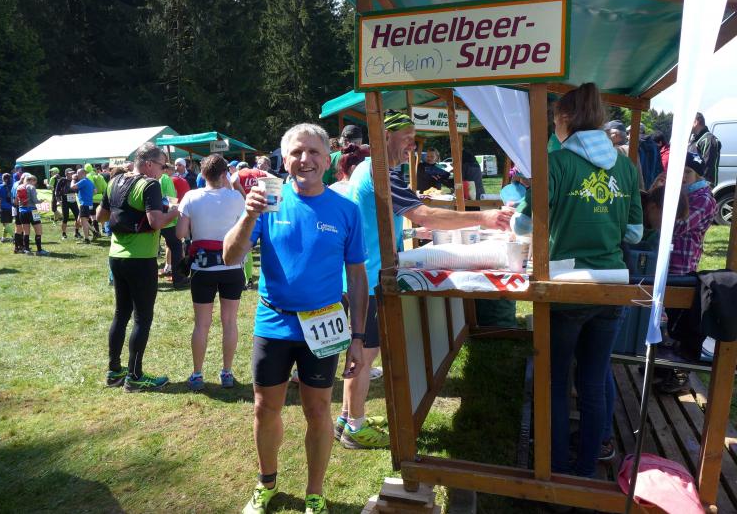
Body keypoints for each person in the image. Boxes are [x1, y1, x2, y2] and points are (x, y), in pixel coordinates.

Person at [341, 110, 512, 450]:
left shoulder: (372, 168)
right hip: (369, 276)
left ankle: (347, 417)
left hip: (364, 272)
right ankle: (354, 428)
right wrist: (484, 218)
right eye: (406, 137)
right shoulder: (379, 171)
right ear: (385, 136)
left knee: (363, 352)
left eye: (414, 138)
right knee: (365, 354)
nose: (412, 145)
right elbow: (425, 214)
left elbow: (382, 216)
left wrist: (408, 230)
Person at [223, 123, 367, 514]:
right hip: (274, 322)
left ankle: (314, 492)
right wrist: (248, 215)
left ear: (328, 158)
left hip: (323, 325)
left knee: (318, 410)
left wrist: (358, 337)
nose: (306, 160)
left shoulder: (346, 209)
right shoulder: (268, 200)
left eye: (314, 152)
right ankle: (266, 482)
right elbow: (230, 256)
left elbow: (357, 276)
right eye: (297, 153)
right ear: (284, 160)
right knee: (264, 407)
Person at [513, 83, 642, 478]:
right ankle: (586, 472)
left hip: (566, 286)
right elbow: (635, 232)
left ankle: (555, 471)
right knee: (592, 382)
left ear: (566, 118)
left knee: (554, 383)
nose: (554, 127)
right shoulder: (626, 166)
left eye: (555, 120)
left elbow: (522, 225)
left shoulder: (554, 163)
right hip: (612, 287)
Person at [97, 143, 180, 392]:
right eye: (162, 166)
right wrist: (174, 212)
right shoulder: (149, 184)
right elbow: (156, 223)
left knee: (121, 314)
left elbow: (101, 216)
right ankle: (134, 377)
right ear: (148, 164)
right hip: (141, 259)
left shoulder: (114, 180)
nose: (163, 171)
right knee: (142, 318)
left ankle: (114, 371)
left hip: (116, 256)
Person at [177, 154, 246, 390]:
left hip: (202, 268)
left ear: (202, 174)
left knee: (201, 324)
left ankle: (197, 374)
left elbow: (180, 234)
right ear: (225, 174)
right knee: (230, 322)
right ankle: (227, 372)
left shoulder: (191, 197)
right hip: (231, 267)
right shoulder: (236, 198)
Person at [655, 153, 718, 395]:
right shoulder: (684, 193)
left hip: (682, 267)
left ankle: (680, 375)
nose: (682, 176)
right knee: (663, 318)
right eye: (678, 171)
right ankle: (661, 366)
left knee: (678, 324)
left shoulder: (704, 199)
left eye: (687, 172)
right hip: (669, 262)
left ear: (698, 174)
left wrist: (660, 204)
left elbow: (678, 225)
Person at [159, 162, 188, 289]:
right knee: (176, 248)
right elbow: (171, 200)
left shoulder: (150, 178)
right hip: (167, 221)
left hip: (152, 219)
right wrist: (175, 218)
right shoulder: (165, 178)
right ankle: (179, 279)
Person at [16, 174, 49, 256]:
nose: (35, 183)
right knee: (39, 231)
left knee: (26, 232)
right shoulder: (31, 187)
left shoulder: (19, 187)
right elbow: (35, 200)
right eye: (35, 181)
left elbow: (17, 200)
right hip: (33, 211)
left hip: (22, 211)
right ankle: (39, 250)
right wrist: (41, 201)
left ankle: (27, 250)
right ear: (31, 180)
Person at [688, 112, 721, 185]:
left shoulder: (709, 139)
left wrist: (700, 184)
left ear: (695, 122)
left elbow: (707, 166)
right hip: (693, 183)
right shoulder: (694, 139)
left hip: (703, 185)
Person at [631, 123, 662, 189]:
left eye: (629, 132)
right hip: (650, 184)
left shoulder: (634, 144)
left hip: (636, 183)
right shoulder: (655, 146)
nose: (628, 135)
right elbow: (659, 168)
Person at [70, 168, 96, 244]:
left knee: (83, 222)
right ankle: (95, 232)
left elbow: (72, 187)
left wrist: (73, 179)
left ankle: (86, 239)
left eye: (78, 173)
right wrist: (88, 195)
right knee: (80, 221)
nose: (77, 175)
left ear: (82, 174)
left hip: (84, 204)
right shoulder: (90, 181)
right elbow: (95, 191)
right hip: (89, 203)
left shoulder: (83, 181)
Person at [56, 168, 81, 240]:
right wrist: (59, 201)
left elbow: (78, 190)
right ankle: (64, 234)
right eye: (70, 173)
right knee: (65, 218)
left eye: (73, 173)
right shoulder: (62, 180)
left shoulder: (75, 180)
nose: (72, 174)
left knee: (77, 216)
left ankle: (76, 232)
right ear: (66, 174)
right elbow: (57, 191)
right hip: (64, 200)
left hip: (73, 199)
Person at [0, 173, 15, 242]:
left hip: (3, 207)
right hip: (13, 207)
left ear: (3, 179)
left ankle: (15, 237)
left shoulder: (0, 186)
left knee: (5, 224)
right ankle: (3, 238)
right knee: (6, 224)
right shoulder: (13, 186)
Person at [87, 163, 107, 238]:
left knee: (92, 216)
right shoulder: (100, 177)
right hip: (100, 198)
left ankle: (96, 231)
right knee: (101, 214)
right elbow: (105, 187)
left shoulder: (88, 176)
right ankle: (103, 228)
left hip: (91, 198)